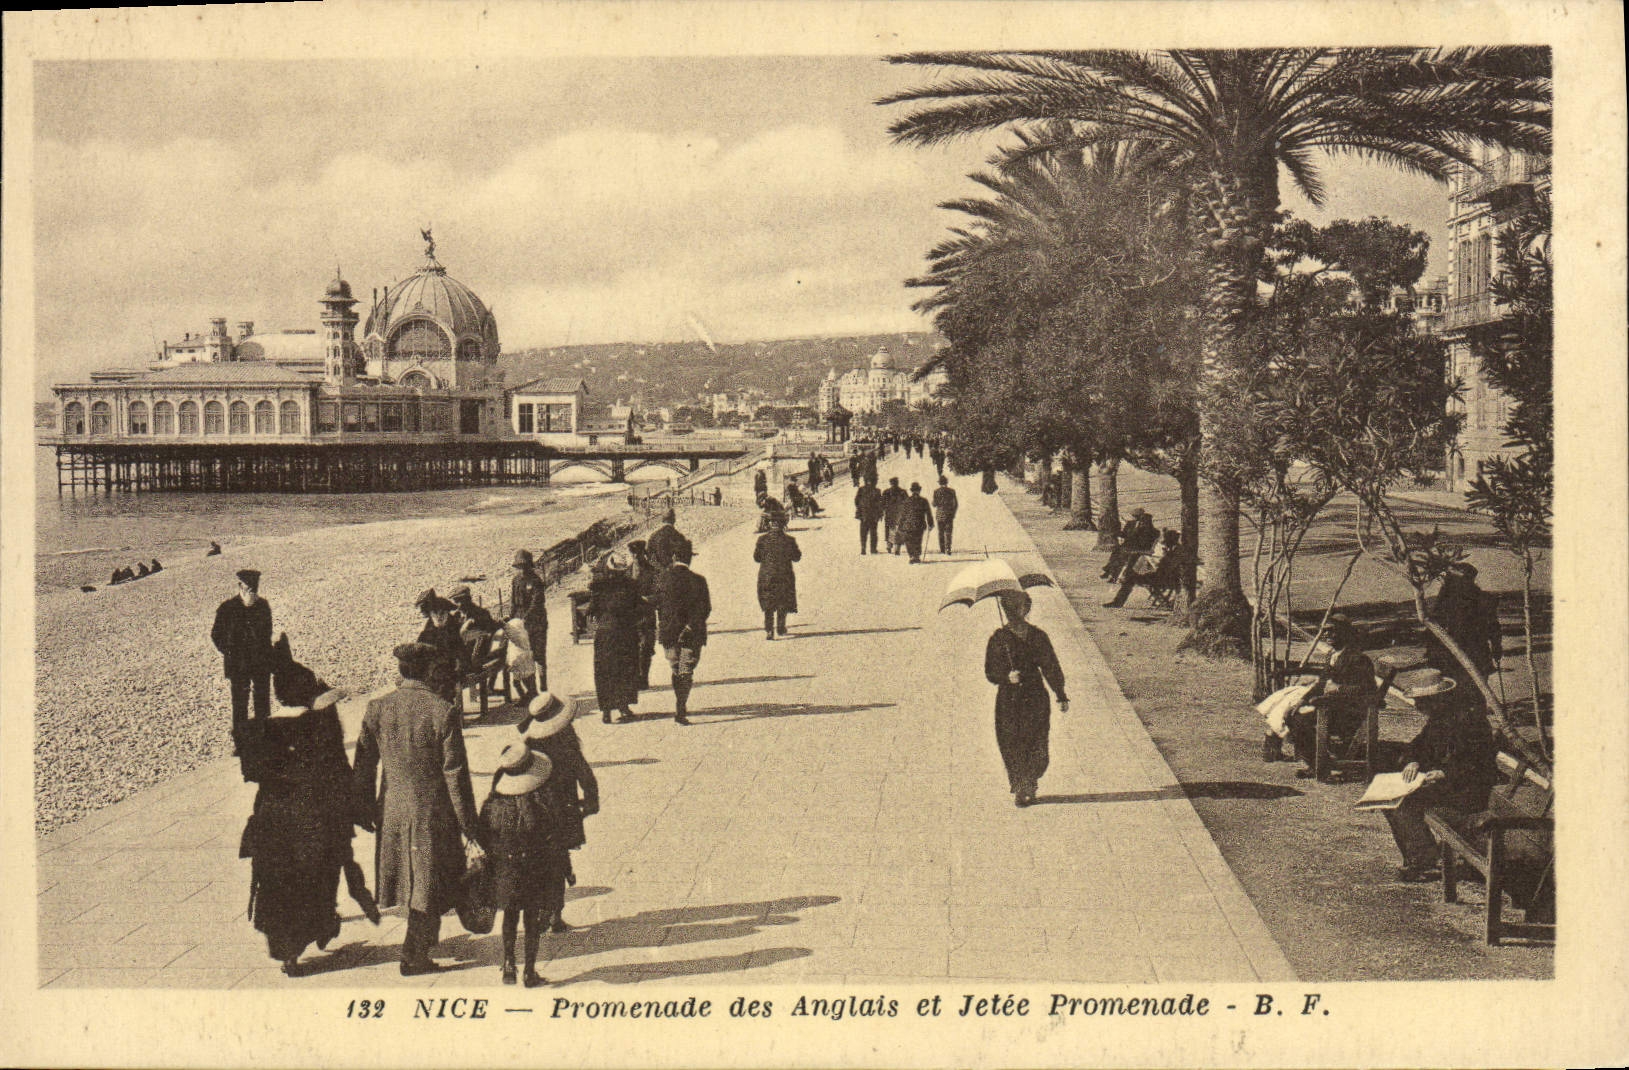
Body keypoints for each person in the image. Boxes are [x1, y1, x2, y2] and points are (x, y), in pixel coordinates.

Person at [241, 635, 378, 976]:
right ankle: (319, 927)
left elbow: (254, 772)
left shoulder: (265, 727)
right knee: (315, 880)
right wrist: (355, 808)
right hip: (314, 817)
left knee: (277, 885)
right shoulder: (318, 724)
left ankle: (286, 952)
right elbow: (337, 770)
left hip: (273, 818)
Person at [351, 642, 482, 976]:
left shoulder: (377, 708)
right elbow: (455, 776)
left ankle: (424, 942)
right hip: (432, 813)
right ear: (428, 670)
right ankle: (413, 955)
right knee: (427, 880)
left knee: (415, 880)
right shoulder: (442, 711)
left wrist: (363, 809)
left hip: (393, 809)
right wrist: (469, 825)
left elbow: (363, 765)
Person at [477, 692, 576, 987]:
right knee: (531, 919)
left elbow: (484, 835)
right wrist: (565, 869)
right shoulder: (542, 804)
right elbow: (555, 839)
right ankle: (530, 971)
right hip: (535, 868)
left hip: (507, 869)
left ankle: (508, 964)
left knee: (509, 917)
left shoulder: (494, 805)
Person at [1379, 670, 1500, 882]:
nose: (1418, 706)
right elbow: (1417, 745)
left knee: (1403, 803)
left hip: (1469, 792)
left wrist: (1444, 773)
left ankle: (1426, 863)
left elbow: (1481, 766)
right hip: (1450, 786)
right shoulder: (1439, 719)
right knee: (1390, 799)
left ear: (1439, 699)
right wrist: (1413, 761)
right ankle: (1419, 857)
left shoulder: (1472, 723)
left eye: (1422, 702)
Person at [521, 692, 600, 932]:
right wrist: (591, 801)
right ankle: (555, 914)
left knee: (540, 860)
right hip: (563, 809)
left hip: (535, 810)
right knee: (559, 859)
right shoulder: (566, 741)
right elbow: (584, 774)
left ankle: (542, 910)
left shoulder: (529, 744)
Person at [983, 590, 1069, 807]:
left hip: (1035, 695)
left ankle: (1031, 780)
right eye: (1020, 606)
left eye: (1025, 606)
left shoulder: (1038, 636)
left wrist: (1060, 693)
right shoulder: (998, 639)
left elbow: (1050, 665)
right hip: (1009, 699)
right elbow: (990, 671)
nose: (1023, 610)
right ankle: (1021, 786)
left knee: (1037, 739)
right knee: (1011, 741)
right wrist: (1006, 677)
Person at [1283, 615, 1378, 776]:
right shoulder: (1333, 655)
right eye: (1325, 631)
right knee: (1292, 715)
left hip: (1351, 714)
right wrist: (1302, 700)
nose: (1326, 635)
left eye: (1332, 631)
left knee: (1300, 721)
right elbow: (1322, 683)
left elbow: (1367, 689)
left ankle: (1319, 765)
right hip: (1334, 708)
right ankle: (1317, 762)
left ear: (1345, 633)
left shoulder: (1358, 659)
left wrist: (1339, 688)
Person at [212, 568, 275, 753]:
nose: (251, 592)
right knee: (240, 704)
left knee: (262, 701)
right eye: (248, 588)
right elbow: (216, 635)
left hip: (260, 662)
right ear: (240, 586)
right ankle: (241, 745)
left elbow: (267, 633)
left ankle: (264, 739)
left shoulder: (263, 606)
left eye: (254, 589)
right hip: (238, 665)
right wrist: (230, 652)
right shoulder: (227, 608)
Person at [655, 543, 711, 725]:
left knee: (675, 667)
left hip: (669, 633)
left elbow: (657, 604)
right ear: (689, 559)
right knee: (686, 669)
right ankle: (681, 706)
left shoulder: (662, 579)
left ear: (673, 558)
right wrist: (690, 626)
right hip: (692, 632)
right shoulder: (699, 580)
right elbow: (706, 609)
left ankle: (680, 702)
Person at [589, 551, 643, 725]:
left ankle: (606, 711)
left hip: (605, 633)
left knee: (605, 670)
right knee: (626, 669)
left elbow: (591, 610)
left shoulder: (598, 586)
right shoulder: (631, 585)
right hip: (626, 632)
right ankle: (623, 706)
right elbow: (639, 608)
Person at [1432, 563, 1501, 682]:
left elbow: (1493, 627)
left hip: (1457, 654)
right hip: (1473, 655)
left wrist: (1496, 649)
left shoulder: (1447, 599)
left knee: (1460, 687)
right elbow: (1494, 628)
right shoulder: (1485, 598)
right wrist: (1497, 649)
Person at [1102, 528, 1179, 608]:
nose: (1165, 544)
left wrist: (1159, 563)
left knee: (1131, 578)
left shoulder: (1176, 552)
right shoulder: (1173, 550)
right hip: (1162, 577)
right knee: (1132, 575)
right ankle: (1118, 601)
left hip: (1165, 580)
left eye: (1166, 542)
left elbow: (1167, 568)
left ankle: (1118, 602)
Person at [754, 512, 801, 639]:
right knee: (782, 601)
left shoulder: (762, 540)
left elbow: (757, 558)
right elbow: (797, 557)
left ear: (769, 524)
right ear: (783, 524)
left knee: (768, 603)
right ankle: (781, 627)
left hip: (766, 575)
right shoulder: (789, 540)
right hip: (784, 575)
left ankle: (769, 630)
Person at [416, 595, 467, 707]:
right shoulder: (427, 632)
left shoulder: (453, 630)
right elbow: (419, 651)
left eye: (442, 613)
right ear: (430, 614)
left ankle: (445, 710)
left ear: (448, 614)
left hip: (451, 668)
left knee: (442, 681)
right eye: (435, 613)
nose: (439, 617)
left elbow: (461, 654)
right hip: (432, 668)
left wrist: (458, 668)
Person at [510, 549, 548, 693]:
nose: (522, 569)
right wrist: (511, 619)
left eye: (524, 565)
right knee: (524, 656)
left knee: (539, 655)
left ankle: (543, 686)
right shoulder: (516, 580)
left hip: (537, 622)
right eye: (519, 566)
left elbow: (537, 602)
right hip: (520, 623)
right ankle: (532, 689)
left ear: (529, 565)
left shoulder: (536, 581)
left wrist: (526, 618)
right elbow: (513, 603)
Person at [627, 540, 660, 691]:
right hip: (631, 616)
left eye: (638, 553)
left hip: (647, 615)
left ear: (643, 553)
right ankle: (635, 678)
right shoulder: (626, 572)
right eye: (633, 554)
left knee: (646, 647)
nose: (635, 557)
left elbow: (660, 594)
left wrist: (647, 599)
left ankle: (643, 677)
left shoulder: (653, 571)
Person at [1102, 510, 1156, 584]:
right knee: (1117, 552)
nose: (1141, 523)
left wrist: (1135, 537)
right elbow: (1126, 535)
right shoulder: (1135, 526)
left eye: (1143, 521)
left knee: (1123, 556)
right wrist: (1117, 533)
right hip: (1131, 547)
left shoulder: (1151, 531)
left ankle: (1114, 575)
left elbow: (1143, 543)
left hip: (1140, 549)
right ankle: (1111, 572)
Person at [897, 481, 935, 564]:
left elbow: (903, 514)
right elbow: (928, 513)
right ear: (919, 490)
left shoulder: (907, 500)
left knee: (909, 541)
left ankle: (912, 556)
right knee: (918, 540)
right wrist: (931, 524)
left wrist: (900, 524)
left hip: (908, 525)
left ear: (912, 491)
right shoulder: (924, 501)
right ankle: (916, 556)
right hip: (919, 524)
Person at [854, 475, 884, 554]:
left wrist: (860, 508)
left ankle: (863, 549)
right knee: (873, 532)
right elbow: (880, 504)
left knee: (863, 532)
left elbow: (856, 501)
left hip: (864, 515)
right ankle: (873, 549)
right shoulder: (877, 491)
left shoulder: (861, 489)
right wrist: (880, 514)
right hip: (873, 515)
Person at [881, 477, 909, 555]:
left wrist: (882, 511)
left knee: (890, 528)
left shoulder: (886, 492)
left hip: (891, 513)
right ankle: (896, 547)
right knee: (898, 529)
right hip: (897, 514)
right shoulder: (902, 492)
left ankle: (890, 546)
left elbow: (882, 504)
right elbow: (907, 503)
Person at [932, 475, 959, 555]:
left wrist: (934, 503)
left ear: (939, 483)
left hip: (940, 515)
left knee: (941, 532)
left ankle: (942, 549)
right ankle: (948, 549)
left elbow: (934, 504)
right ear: (946, 482)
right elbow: (955, 504)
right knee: (948, 532)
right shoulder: (952, 491)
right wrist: (953, 513)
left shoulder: (936, 491)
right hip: (949, 514)